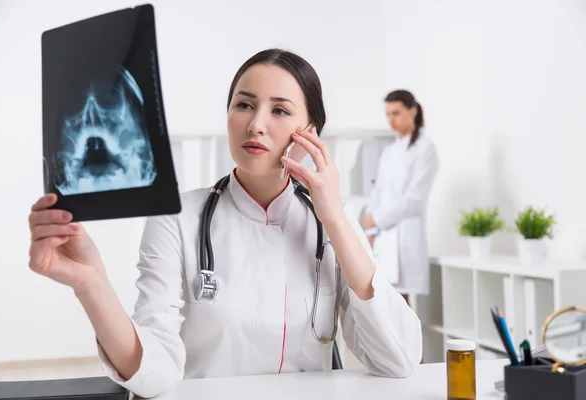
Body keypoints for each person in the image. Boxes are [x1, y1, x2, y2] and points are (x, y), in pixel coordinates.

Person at [28, 50, 422, 398]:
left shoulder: (334, 224)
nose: (256, 125)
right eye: (244, 105)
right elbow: (155, 372)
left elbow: (399, 359)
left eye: (280, 110)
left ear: (310, 134)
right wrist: (90, 282)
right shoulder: (177, 217)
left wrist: (334, 217)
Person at [362, 90, 439, 305]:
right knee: (383, 300)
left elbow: (413, 200)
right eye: (388, 114)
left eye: (396, 113)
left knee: (401, 305)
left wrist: (376, 219)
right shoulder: (389, 152)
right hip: (383, 237)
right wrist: (370, 228)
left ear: (412, 111)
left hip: (405, 237)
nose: (391, 120)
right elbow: (378, 193)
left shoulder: (425, 149)